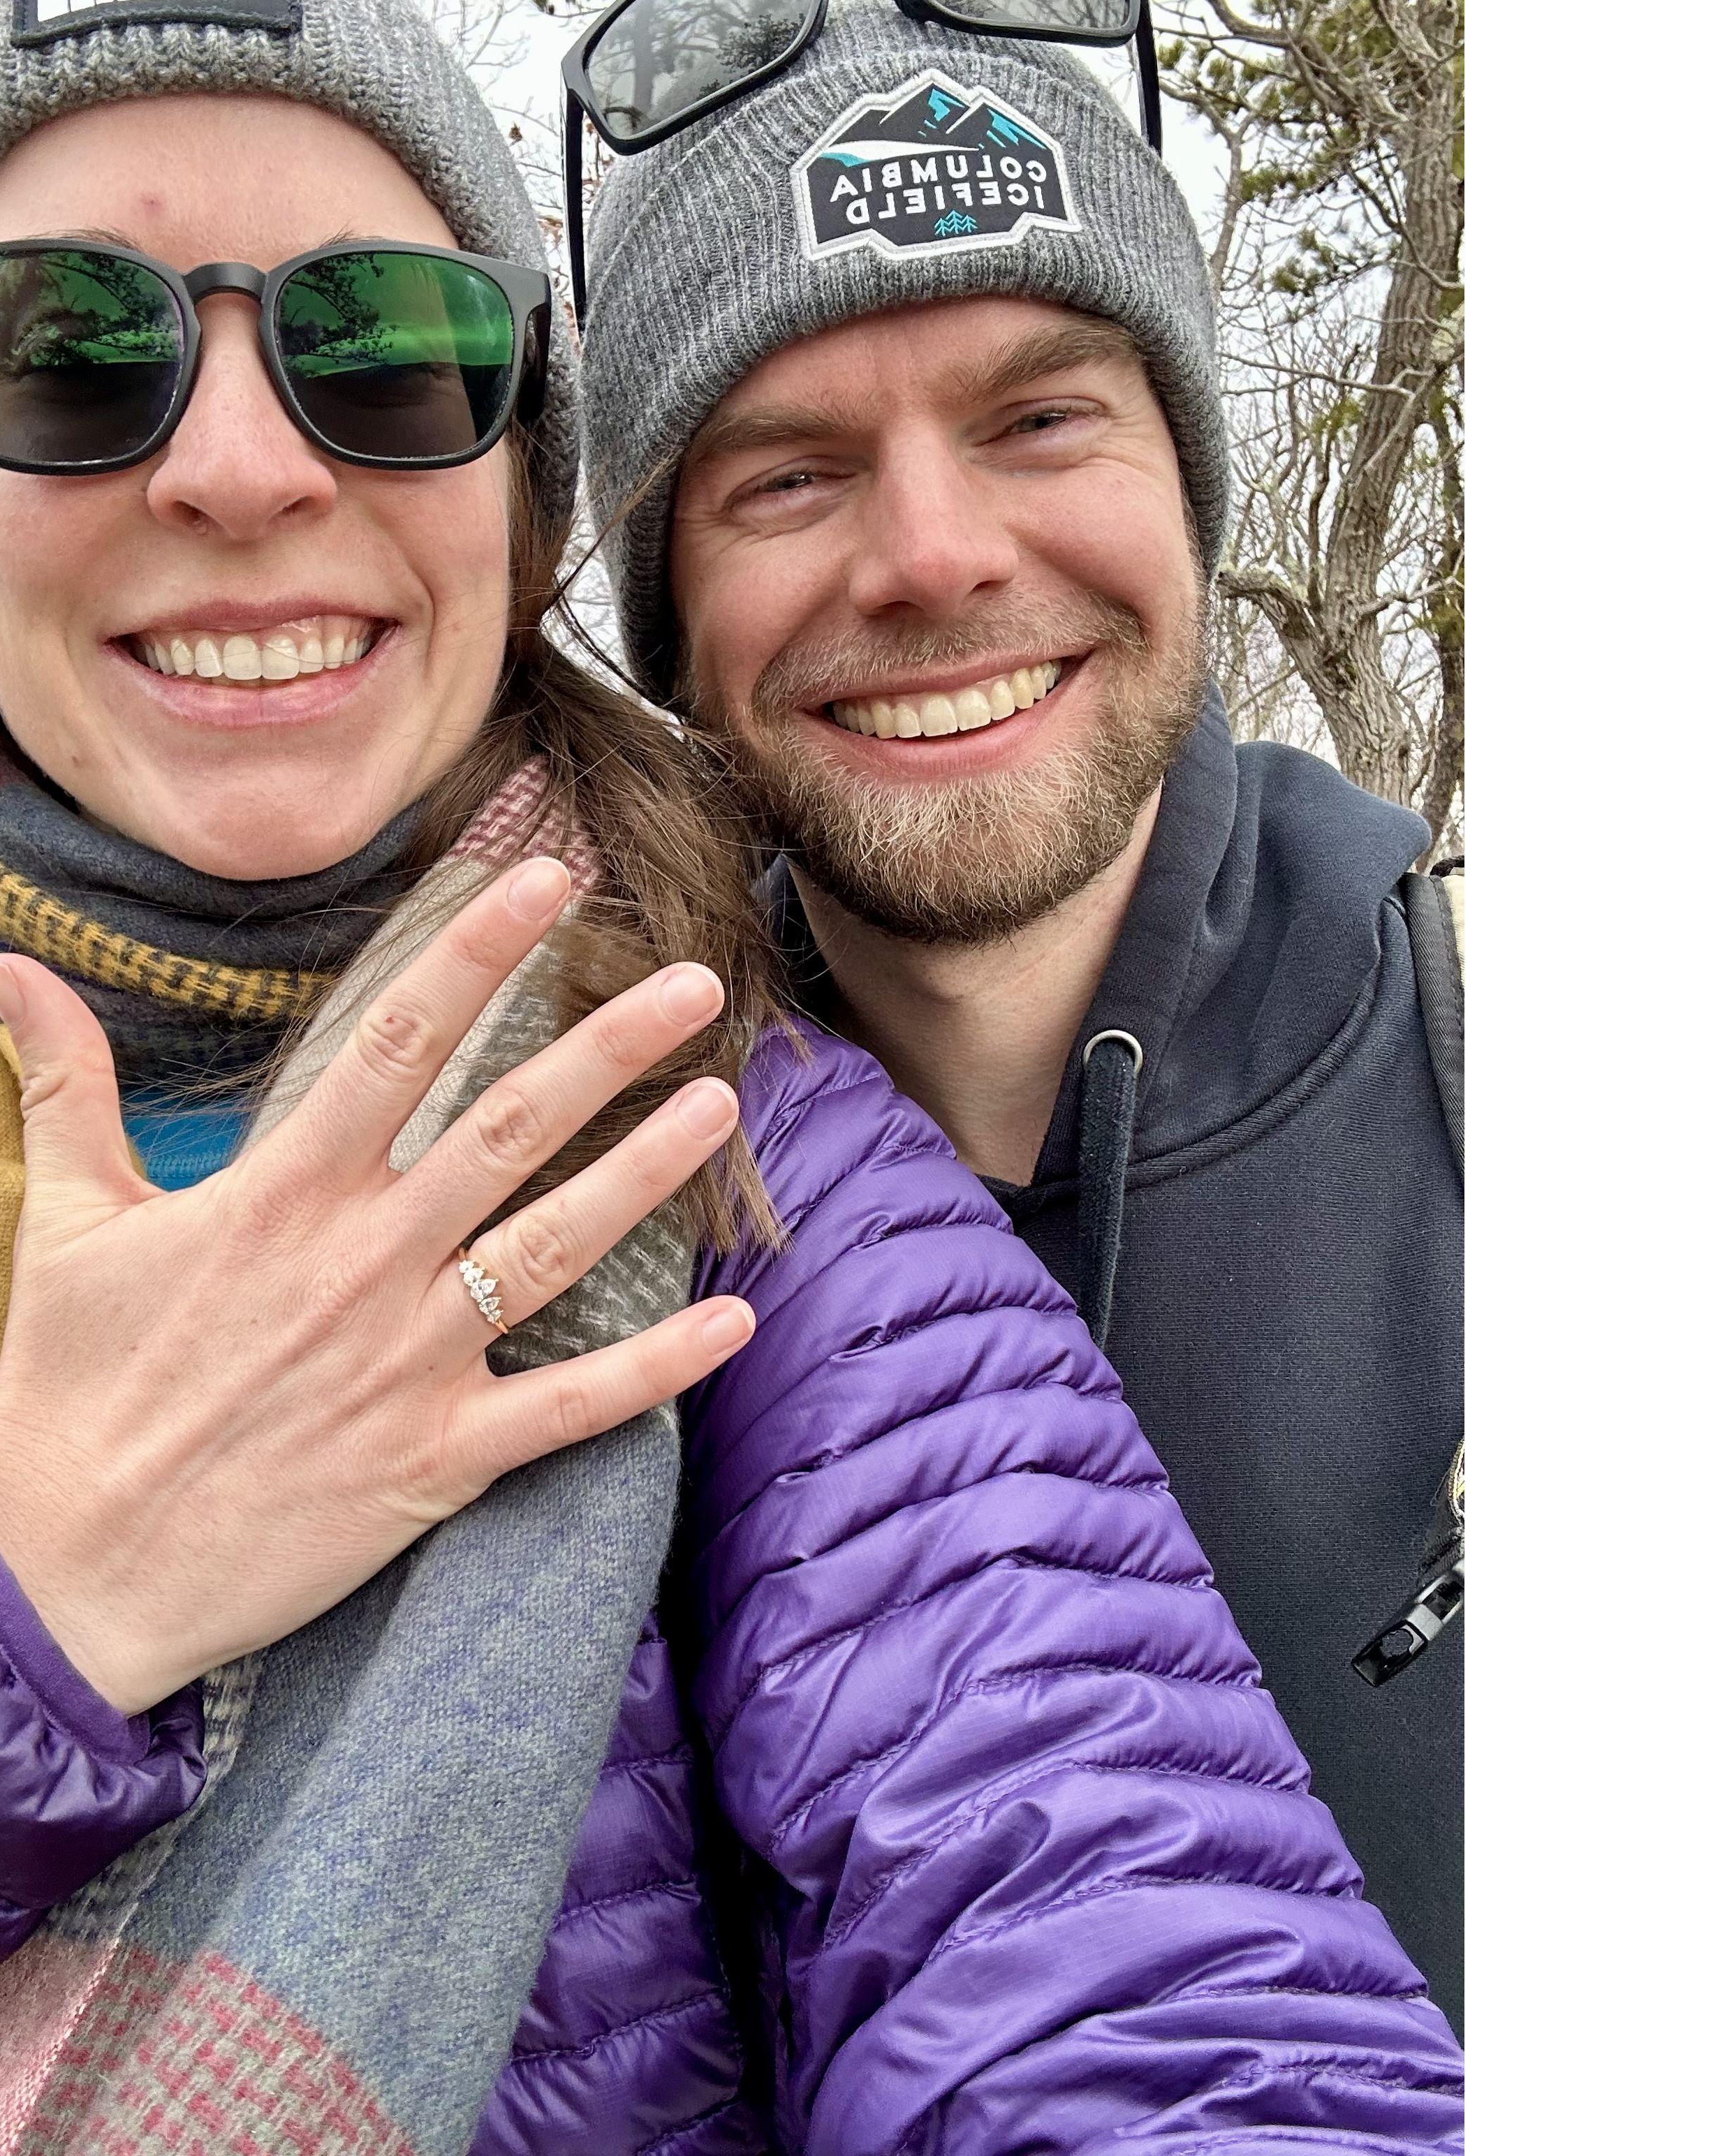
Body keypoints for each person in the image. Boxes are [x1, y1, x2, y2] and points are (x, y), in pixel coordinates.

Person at [0, 3, 1464, 2150]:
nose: (241, 465)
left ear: (514, 526)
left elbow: (1108, 1937)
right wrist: (2, 1616)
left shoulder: (705, 1126)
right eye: (60, 348)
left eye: (384, 345)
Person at [574, 0, 1466, 2021]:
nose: (934, 556)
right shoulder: (555, 1213)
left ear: (1187, 484)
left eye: (1040, 420)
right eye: (787, 475)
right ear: (667, 615)